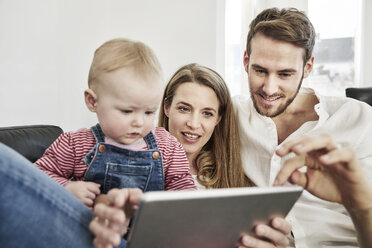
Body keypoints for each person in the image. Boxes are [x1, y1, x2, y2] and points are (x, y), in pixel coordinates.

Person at [233, 7, 372, 247]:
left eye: (285, 74)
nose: (269, 88)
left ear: (308, 68)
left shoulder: (358, 119)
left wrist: (361, 207)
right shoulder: (230, 115)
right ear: (246, 61)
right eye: (260, 70)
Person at [34, 38, 196, 210]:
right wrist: (67, 188)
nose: (139, 122)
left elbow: (184, 188)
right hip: (90, 230)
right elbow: (38, 176)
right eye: (127, 111)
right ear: (92, 101)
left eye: (149, 112)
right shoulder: (76, 144)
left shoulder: (168, 146)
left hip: (147, 233)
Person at [158, 63, 290, 247]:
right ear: (166, 107)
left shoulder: (231, 181)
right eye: (184, 109)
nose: (194, 124)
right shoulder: (138, 167)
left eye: (207, 113)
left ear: (218, 119)